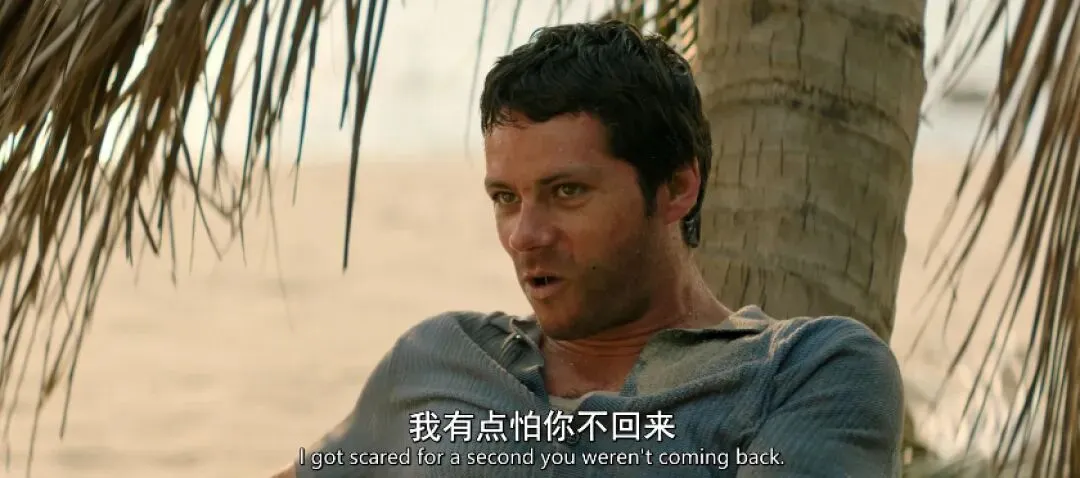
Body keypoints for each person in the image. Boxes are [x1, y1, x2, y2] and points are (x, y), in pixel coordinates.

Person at [274, 20, 903, 478]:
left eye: (567, 191)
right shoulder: (439, 356)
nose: (525, 235)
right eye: (506, 198)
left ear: (676, 188)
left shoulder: (803, 371)